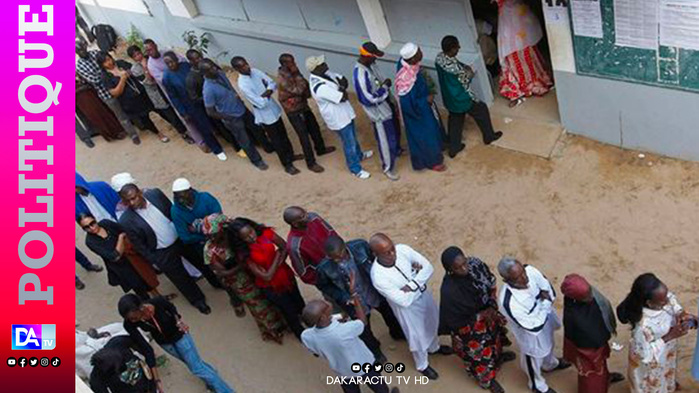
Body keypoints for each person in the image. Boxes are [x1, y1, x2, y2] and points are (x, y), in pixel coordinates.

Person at [111, 173, 210, 314]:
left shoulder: (155, 194)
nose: (132, 203)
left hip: (181, 240)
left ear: (140, 191)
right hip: (162, 252)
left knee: (201, 262)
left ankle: (216, 282)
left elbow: (173, 212)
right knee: (181, 279)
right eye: (128, 201)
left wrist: (185, 231)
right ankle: (198, 300)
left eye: (134, 198)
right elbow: (139, 245)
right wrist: (155, 259)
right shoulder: (125, 220)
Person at [369, 233, 451, 380]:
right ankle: (422, 365)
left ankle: (434, 348)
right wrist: (419, 280)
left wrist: (412, 285)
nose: (392, 253)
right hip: (407, 310)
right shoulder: (378, 276)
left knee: (432, 322)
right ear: (375, 254)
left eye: (392, 248)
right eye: (386, 252)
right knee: (417, 337)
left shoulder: (402, 249)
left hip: (424, 296)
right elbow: (403, 301)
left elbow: (428, 267)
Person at [193, 214, 286, 343]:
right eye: (208, 234)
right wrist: (242, 265)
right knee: (258, 306)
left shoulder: (235, 236)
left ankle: (283, 320)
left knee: (271, 297)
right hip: (240, 281)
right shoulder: (210, 250)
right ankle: (272, 331)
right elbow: (222, 273)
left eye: (214, 233)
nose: (211, 237)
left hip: (256, 271)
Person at [118, 294, 235, 393]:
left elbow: (171, 308)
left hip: (180, 336)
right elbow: (146, 348)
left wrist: (178, 321)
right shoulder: (129, 324)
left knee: (196, 368)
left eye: (134, 317)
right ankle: (212, 380)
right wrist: (156, 379)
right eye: (129, 319)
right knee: (194, 364)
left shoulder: (158, 301)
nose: (133, 321)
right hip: (166, 344)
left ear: (141, 307)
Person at [316, 236, 405, 362]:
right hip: (354, 302)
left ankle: (397, 333)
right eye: (332, 258)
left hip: (373, 292)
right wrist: (343, 297)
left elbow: (376, 260)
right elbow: (323, 286)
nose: (336, 260)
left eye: (339, 256)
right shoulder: (324, 268)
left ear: (344, 248)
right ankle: (375, 350)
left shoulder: (361, 246)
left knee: (389, 313)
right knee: (364, 329)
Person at [439, 247, 515, 393]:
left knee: (495, 339)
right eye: (458, 268)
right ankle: (486, 380)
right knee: (479, 354)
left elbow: (490, 280)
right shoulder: (449, 291)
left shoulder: (475, 264)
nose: (464, 268)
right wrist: (481, 316)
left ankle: (498, 359)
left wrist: (492, 305)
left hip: (489, 314)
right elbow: (454, 319)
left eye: (464, 263)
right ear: (450, 270)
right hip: (470, 327)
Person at [497, 257, 570, 393]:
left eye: (523, 272)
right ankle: (537, 385)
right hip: (530, 335)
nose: (525, 278)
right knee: (533, 359)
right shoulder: (508, 302)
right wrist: (545, 303)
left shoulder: (531, 270)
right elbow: (533, 326)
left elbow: (549, 290)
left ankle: (550, 364)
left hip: (545, 321)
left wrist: (542, 307)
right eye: (517, 277)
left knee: (550, 343)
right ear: (506, 280)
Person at [616, 273, 698, 393]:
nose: (667, 300)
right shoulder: (643, 326)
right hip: (651, 364)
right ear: (649, 303)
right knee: (653, 385)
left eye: (666, 295)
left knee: (666, 371)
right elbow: (645, 355)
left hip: (665, 353)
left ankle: (668, 386)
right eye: (663, 300)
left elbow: (672, 301)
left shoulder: (662, 297)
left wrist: (681, 313)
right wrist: (670, 335)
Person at [301, 297, 400, 393]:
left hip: (342, 370)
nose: (327, 303)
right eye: (325, 306)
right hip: (363, 364)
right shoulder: (344, 330)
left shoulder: (306, 335)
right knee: (379, 387)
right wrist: (356, 301)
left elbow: (315, 353)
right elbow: (362, 322)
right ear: (323, 317)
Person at [229, 217, 306, 339]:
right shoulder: (244, 253)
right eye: (246, 237)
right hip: (271, 288)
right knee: (288, 311)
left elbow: (285, 247)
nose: (251, 237)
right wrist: (277, 257)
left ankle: (310, 325)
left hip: (286, 276)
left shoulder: (266, 232)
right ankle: (301, 335)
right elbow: (266, 277)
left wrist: (273, 267)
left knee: (299, 301)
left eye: (251, 232)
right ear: (240, 239)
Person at [232, 56, 302, 175]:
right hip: (266, 116)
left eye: (246, 63)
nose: (246, 67)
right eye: (242, 66)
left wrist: (266, 92)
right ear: (237, 69)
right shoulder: (243, 84)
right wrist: (267, 92)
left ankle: (291, 155)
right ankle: (287, 164)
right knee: (277, 141)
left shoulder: (255, 71)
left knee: (284, 134)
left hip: (274, 109)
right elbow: (260, 103)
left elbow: (272, 83)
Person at [306, 55, 373, 179]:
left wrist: (342, 87)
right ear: (315, 69)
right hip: (338, 118)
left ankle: (359, 155)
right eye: (322, 64)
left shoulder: (325, 73)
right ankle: (355, 169)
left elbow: (343, 80)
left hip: (345, 112)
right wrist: (342, 88)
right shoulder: (320, 87)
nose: (325, 65)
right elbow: (343, 97)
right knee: (349, 143)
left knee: (353, 137)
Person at [436, 35, 503, 158]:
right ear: (451, 49)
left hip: (449, 98)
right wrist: (471, 70)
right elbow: (465, 80)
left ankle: (454, 147)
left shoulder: (439, 58)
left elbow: (455, 63)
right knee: (481, 109)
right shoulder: (457, 70)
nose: (459, 48)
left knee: (455, 119)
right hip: (461, 98)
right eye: (457, 47)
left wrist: (463, 66)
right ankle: (489, 136)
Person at [200, 59, 269, 170]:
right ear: (204, 73)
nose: (214, 69)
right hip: (231, 118)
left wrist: (237, 98)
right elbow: (210, 111)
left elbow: (229, 88)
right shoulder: (208, 90)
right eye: (210, 69)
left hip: (241, 109)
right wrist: (227, 117)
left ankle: (267, 146)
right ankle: (257, 160)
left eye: (213, 66)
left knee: (257, 128)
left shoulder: (220, 74)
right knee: (244, 140)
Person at [561, 274, 625, 393]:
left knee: (601, 369)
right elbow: (590, 338)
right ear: (577, 298)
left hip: (597, 347)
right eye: (586, 296)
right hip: (589, 352)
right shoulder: (575, 317)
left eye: (590, 291)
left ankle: (606, 378)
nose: (591, 296)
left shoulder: (576, 298)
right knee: (591, 377)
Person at [161, 51, 227, 160]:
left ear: (177, 60)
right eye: (167, 63)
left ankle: (228, 139)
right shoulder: (167, 77)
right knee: (204, 127)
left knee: (216, 120)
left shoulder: (186, 66)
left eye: (171, 62)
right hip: (190, 106)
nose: (170, 65)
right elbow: (173, 97)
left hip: (203, 99)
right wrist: (183, 112)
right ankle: (217, 149)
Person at [277, 53, 336, 173]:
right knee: (303, 136)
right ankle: (311, 163)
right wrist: (298, 77)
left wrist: (300, 79)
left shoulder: (293, 71)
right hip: (293, 110)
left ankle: (320, 149)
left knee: (314, 128)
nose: (295, 64)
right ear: (284, 64)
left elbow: (304, 86)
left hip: (302, 105)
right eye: (291, 62)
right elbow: (298, 90)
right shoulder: (282, 77)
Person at [76, 38, 141, 144]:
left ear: (85, 46)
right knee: (121, 115)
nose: (82, 51)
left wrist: (110, 73)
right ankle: (133, 134)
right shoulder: (80, 66)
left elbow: (112, 64)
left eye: (83, 48)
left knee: (130, 106)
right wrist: (107, 74)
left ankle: (141, 125)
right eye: (79, 51)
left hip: (120, 85)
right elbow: (95, 80)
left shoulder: (96, 53)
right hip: (106, 93)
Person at [80, 213, 159, 300]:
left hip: (132, 257)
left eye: (92, 223)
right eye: (86, 227)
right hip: (122, 268)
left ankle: (159, 299)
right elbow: (115, 257)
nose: (91, 228)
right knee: (139, 288)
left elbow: (125, 230)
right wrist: (120, 238)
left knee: (147, 279)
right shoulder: (90, 242)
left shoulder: (106, 223)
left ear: (95, 219)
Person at [96, 52, 171, 144]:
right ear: (101, 65)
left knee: (161, 110)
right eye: (105, 62)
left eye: (109, 59)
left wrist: (129, 72)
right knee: (145, 119)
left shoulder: (120, 63)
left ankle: (176, 126)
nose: (109, 62)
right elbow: (115, 93)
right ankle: (158, 133)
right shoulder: (105, 76)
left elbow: (135, 70)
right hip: (130, 103)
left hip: (143, 94)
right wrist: (122, 79)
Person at [169, 178, 228, 292]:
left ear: (190, 191)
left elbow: (219, 219)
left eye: (183, 196)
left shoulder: (205, 198)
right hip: (201, 246)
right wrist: (207, 233)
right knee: (210, 268)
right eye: (177, 196)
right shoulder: (175, 211)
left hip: (221, 239)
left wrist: (197, 228)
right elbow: (185, 237)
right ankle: (218, 284)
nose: (181, 200)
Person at [126, 45, 194, 144]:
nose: (139, 56)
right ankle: (183, 133)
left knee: (181, 109)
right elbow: (150, 81)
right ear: (132, 58)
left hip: (167, 89)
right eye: (135, 56)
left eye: (139, 53)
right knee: (171, 116)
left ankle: (193, 129)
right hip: (157, 95)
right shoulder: (135, 69)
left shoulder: (151, 59)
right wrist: (145, 67)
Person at [395, 43, 446, 172]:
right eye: (419, 52)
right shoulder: (405, 79)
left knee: (434, 129)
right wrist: (425, 100)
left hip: (423, 107)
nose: (422, 53)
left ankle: (437, 150)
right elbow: (407, 103)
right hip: (417, 113)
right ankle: (432, 162)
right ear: (412, 59)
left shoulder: (409, 65)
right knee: (425, 136)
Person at [353, 42, 401, 181]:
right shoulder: (360, 75)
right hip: (378, 113)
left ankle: (396, 151)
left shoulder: (371, 65)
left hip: (386, 106)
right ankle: (388, 168)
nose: (376, 59)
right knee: (385, 140)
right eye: (374, 57)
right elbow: (368, 98)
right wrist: (385, 88)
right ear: (366, 57)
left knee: (393, 133)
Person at [494, 0, 553, 106]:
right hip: (512, 24)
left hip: (516, 24)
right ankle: (529, 85)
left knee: (523, 54)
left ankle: (528, 86)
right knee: (519, 55)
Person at [283, 206, 338, 285]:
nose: (308, 216)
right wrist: (323, 280)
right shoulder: (294, 246)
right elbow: (303, 272)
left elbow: (331, 232)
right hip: (327, 276)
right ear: (295, 224)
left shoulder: (314, 217)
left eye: (305, 212)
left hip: (340, 261)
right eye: (303, 216)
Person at [89, 335, 158, 393]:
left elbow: (135, 342)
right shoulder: (96, 378)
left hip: (149, 383)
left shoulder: (118, 342)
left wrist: (145, 353)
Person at [76, 77, 125, 142]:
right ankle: (111, 133)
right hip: (81, 97)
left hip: (90, 93)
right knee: (95, 115)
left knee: (103, 110)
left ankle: (117, 130)